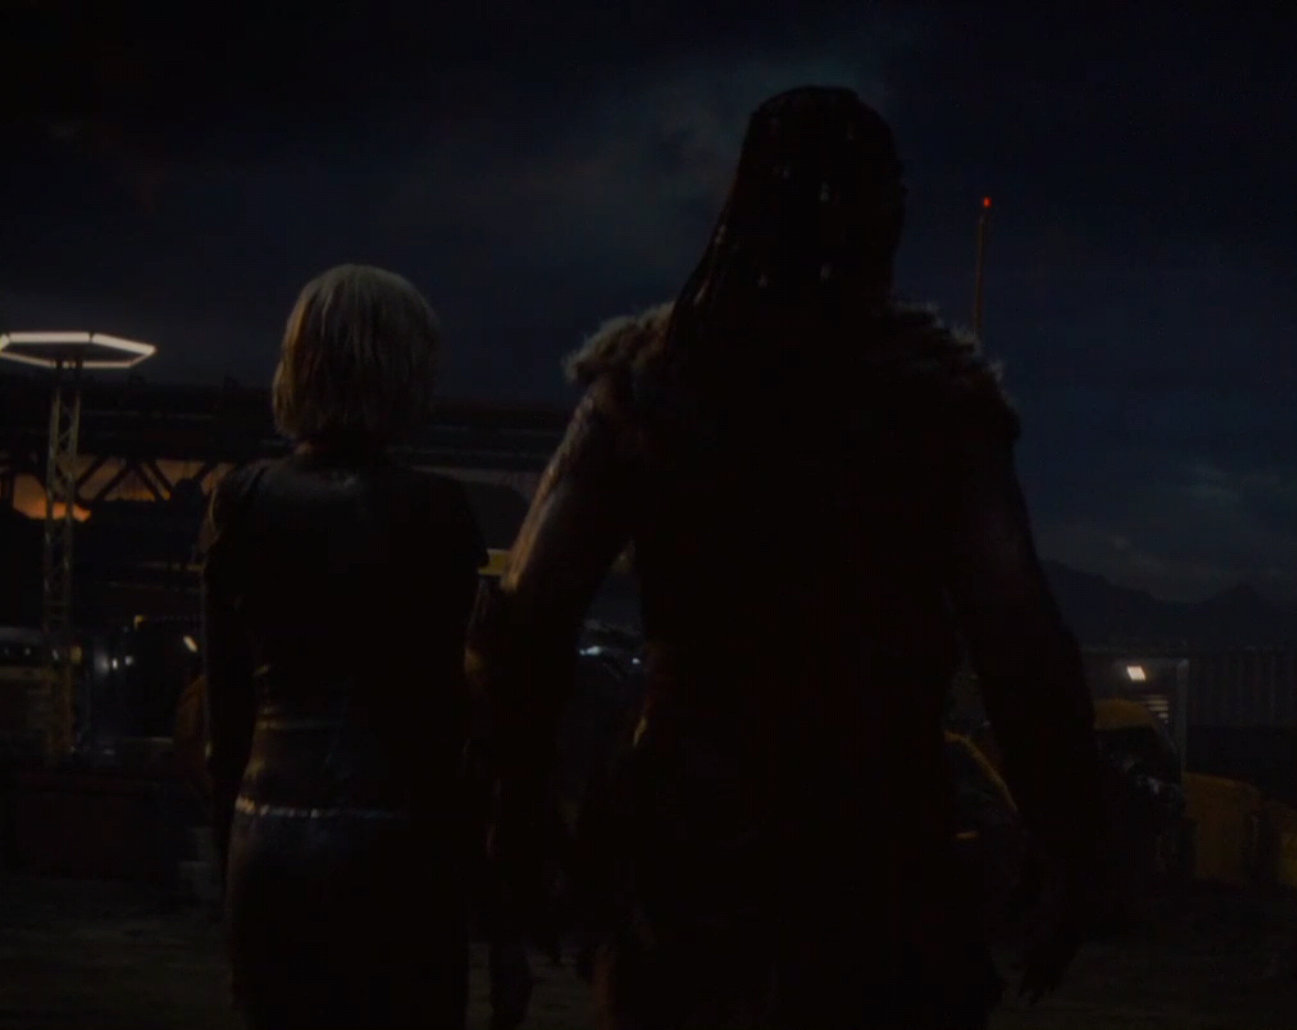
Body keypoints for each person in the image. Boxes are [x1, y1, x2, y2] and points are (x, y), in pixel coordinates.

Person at [465, 86, 1109, 1030]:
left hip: (690, 855)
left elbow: (526, 617)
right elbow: (1019, 641)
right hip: (878, 850)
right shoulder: (937, 406)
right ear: (884, 216)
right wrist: (1068, 840)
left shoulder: (646, 389)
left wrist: (517, 814)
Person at [199, 264, 489, 1029]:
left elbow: (226, 719)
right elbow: (452, 721)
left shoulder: (241, 500)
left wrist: (231, 864)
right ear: (403, 371)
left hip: (267, 843)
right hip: (399, 852)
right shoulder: (437, 509)